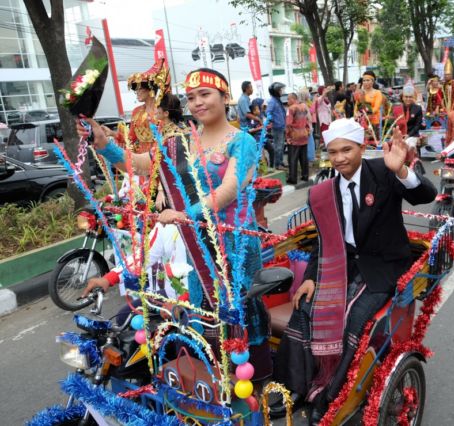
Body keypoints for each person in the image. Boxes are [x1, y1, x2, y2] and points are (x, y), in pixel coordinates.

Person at [79, 68, 271, 378]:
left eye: (205, 95)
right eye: (191, 97)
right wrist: (103, 144)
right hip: (196, 241)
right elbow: (141, 164)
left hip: (232, 243)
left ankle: (256, 381)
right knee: (205, 310)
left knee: (238, 312)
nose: (197, 102)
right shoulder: (179, 142)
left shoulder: (242, 141)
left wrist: (184, 215)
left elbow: (228, 189)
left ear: (225, 97)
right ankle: (217, 384)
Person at [269, 118, 437, 423]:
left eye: (346, 149)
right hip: (340, 264)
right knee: (305, 307)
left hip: (382, 266)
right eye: (333, 152)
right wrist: (310, 279)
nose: (340, 158)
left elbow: (426, 195)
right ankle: (294, 386)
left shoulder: (383, 171)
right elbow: (324, 240)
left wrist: (401, 170)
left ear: (361, 147)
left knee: (356, 319)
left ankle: (333, 395)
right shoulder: (323, 192)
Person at [108, 59, 170, 154]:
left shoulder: (163, 110)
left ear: (150, 91)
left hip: (159, 155)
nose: (137, 92)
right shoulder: (136, 111)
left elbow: (169, 137)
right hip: (140, 158)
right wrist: (112, 133)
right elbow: (130, 139)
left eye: (139, 89)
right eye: (136, 90)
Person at [285, 92, 311, 184]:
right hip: (303, 134)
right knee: (304, 158)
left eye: (288, 99)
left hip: (295, 136)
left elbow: (288, 124)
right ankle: (305, 176)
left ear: (293, 99)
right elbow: (307, 121)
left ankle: (293, 178)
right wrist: (307, 131)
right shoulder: (303, 107)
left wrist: (287, 136)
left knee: (293, 158)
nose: (287, 101)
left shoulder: (291, 109)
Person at [360, 70, 384, 139]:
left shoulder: (377, 93)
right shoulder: (361, 93)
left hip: (374, 121)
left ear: (373, 81)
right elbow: (357, 106)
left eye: (368, 80)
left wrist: (368, 115)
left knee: (374, 141)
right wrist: (357, 114)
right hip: (362, 121)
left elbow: (376, 107)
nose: (365, 82)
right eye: (364, 80)